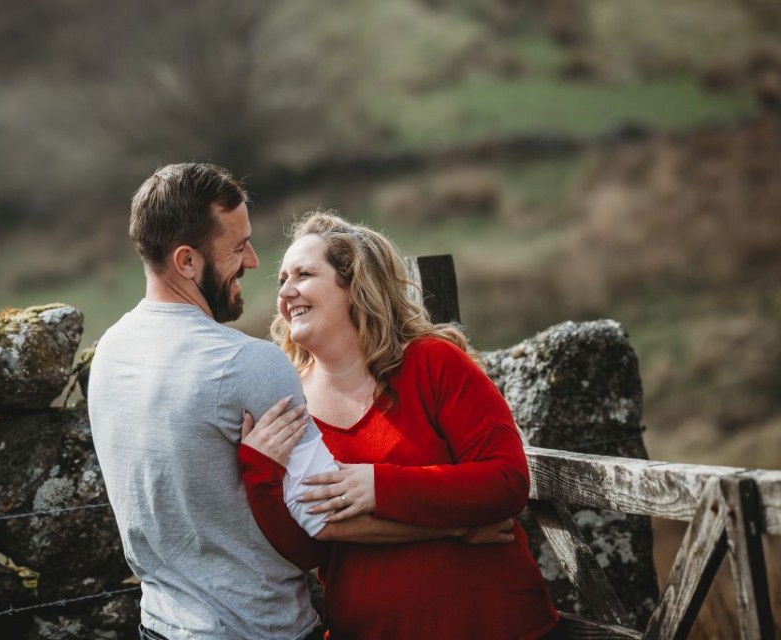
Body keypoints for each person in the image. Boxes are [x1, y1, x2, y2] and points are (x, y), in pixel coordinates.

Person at [88, 164, 512, 640]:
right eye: (237, 247)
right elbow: (324, 526)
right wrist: (456, 530)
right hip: (257, 629)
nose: (252, 262)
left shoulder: (110, 352)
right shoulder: (247, 363)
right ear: (186, 261)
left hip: (161, 627)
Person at [239, 210, 560, 639]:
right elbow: (309, 548)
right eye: (282, 279)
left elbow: (506, 481)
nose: (287, 291)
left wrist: (379, 487)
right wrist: (260, 474)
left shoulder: (433, 363)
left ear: (354, 287)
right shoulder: (287, 400)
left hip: (493, 626)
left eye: (304, 274)